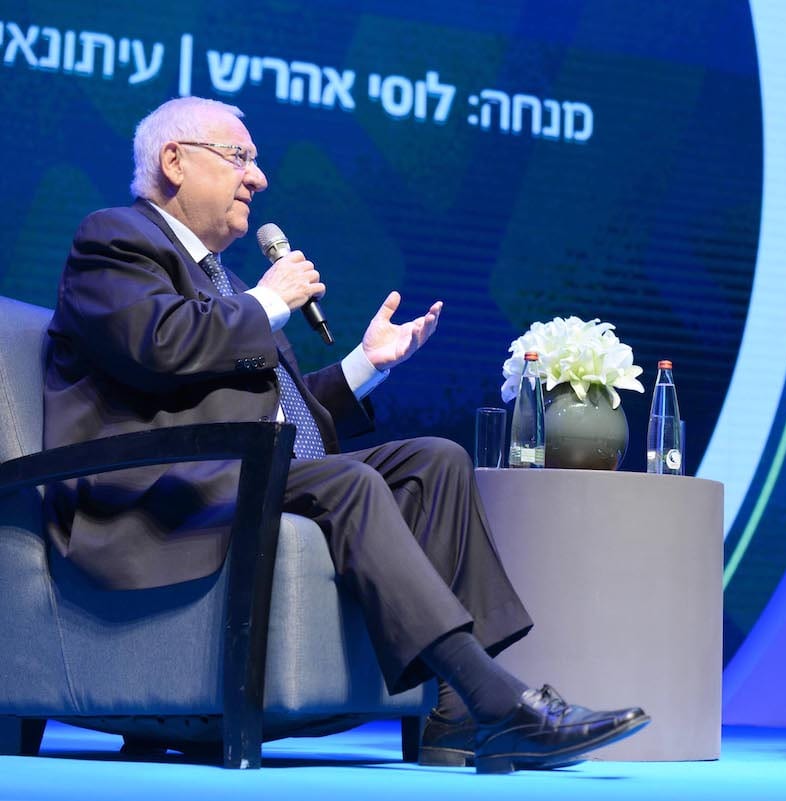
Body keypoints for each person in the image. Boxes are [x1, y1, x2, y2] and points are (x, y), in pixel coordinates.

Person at [42, 96, 649, 774]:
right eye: (239, 156)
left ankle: (454, 713)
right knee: (351, 479)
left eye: (257, 160)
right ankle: (499, 700)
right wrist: (270, 302)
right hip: (158, 496)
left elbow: (276, 406)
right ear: (174, 161)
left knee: (435, 461)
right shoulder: (117, 241)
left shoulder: (230, 282)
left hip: (246, 470)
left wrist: (365, 365)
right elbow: (159, 346)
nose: (259, 177)